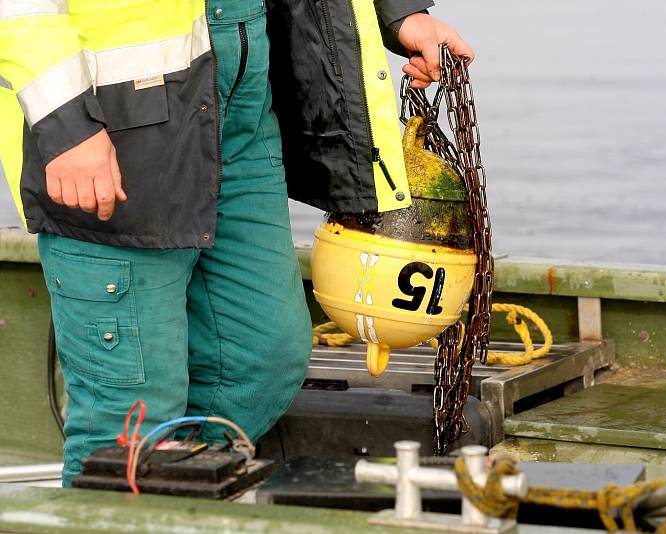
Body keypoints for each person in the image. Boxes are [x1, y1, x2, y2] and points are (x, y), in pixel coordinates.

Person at [0, 0, 473, 486]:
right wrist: (66, 124)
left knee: (259, 360)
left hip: (244, 107)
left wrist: (399, 14)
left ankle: (179, 497)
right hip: (113, 123)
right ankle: (128, 501)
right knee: (130, 425)